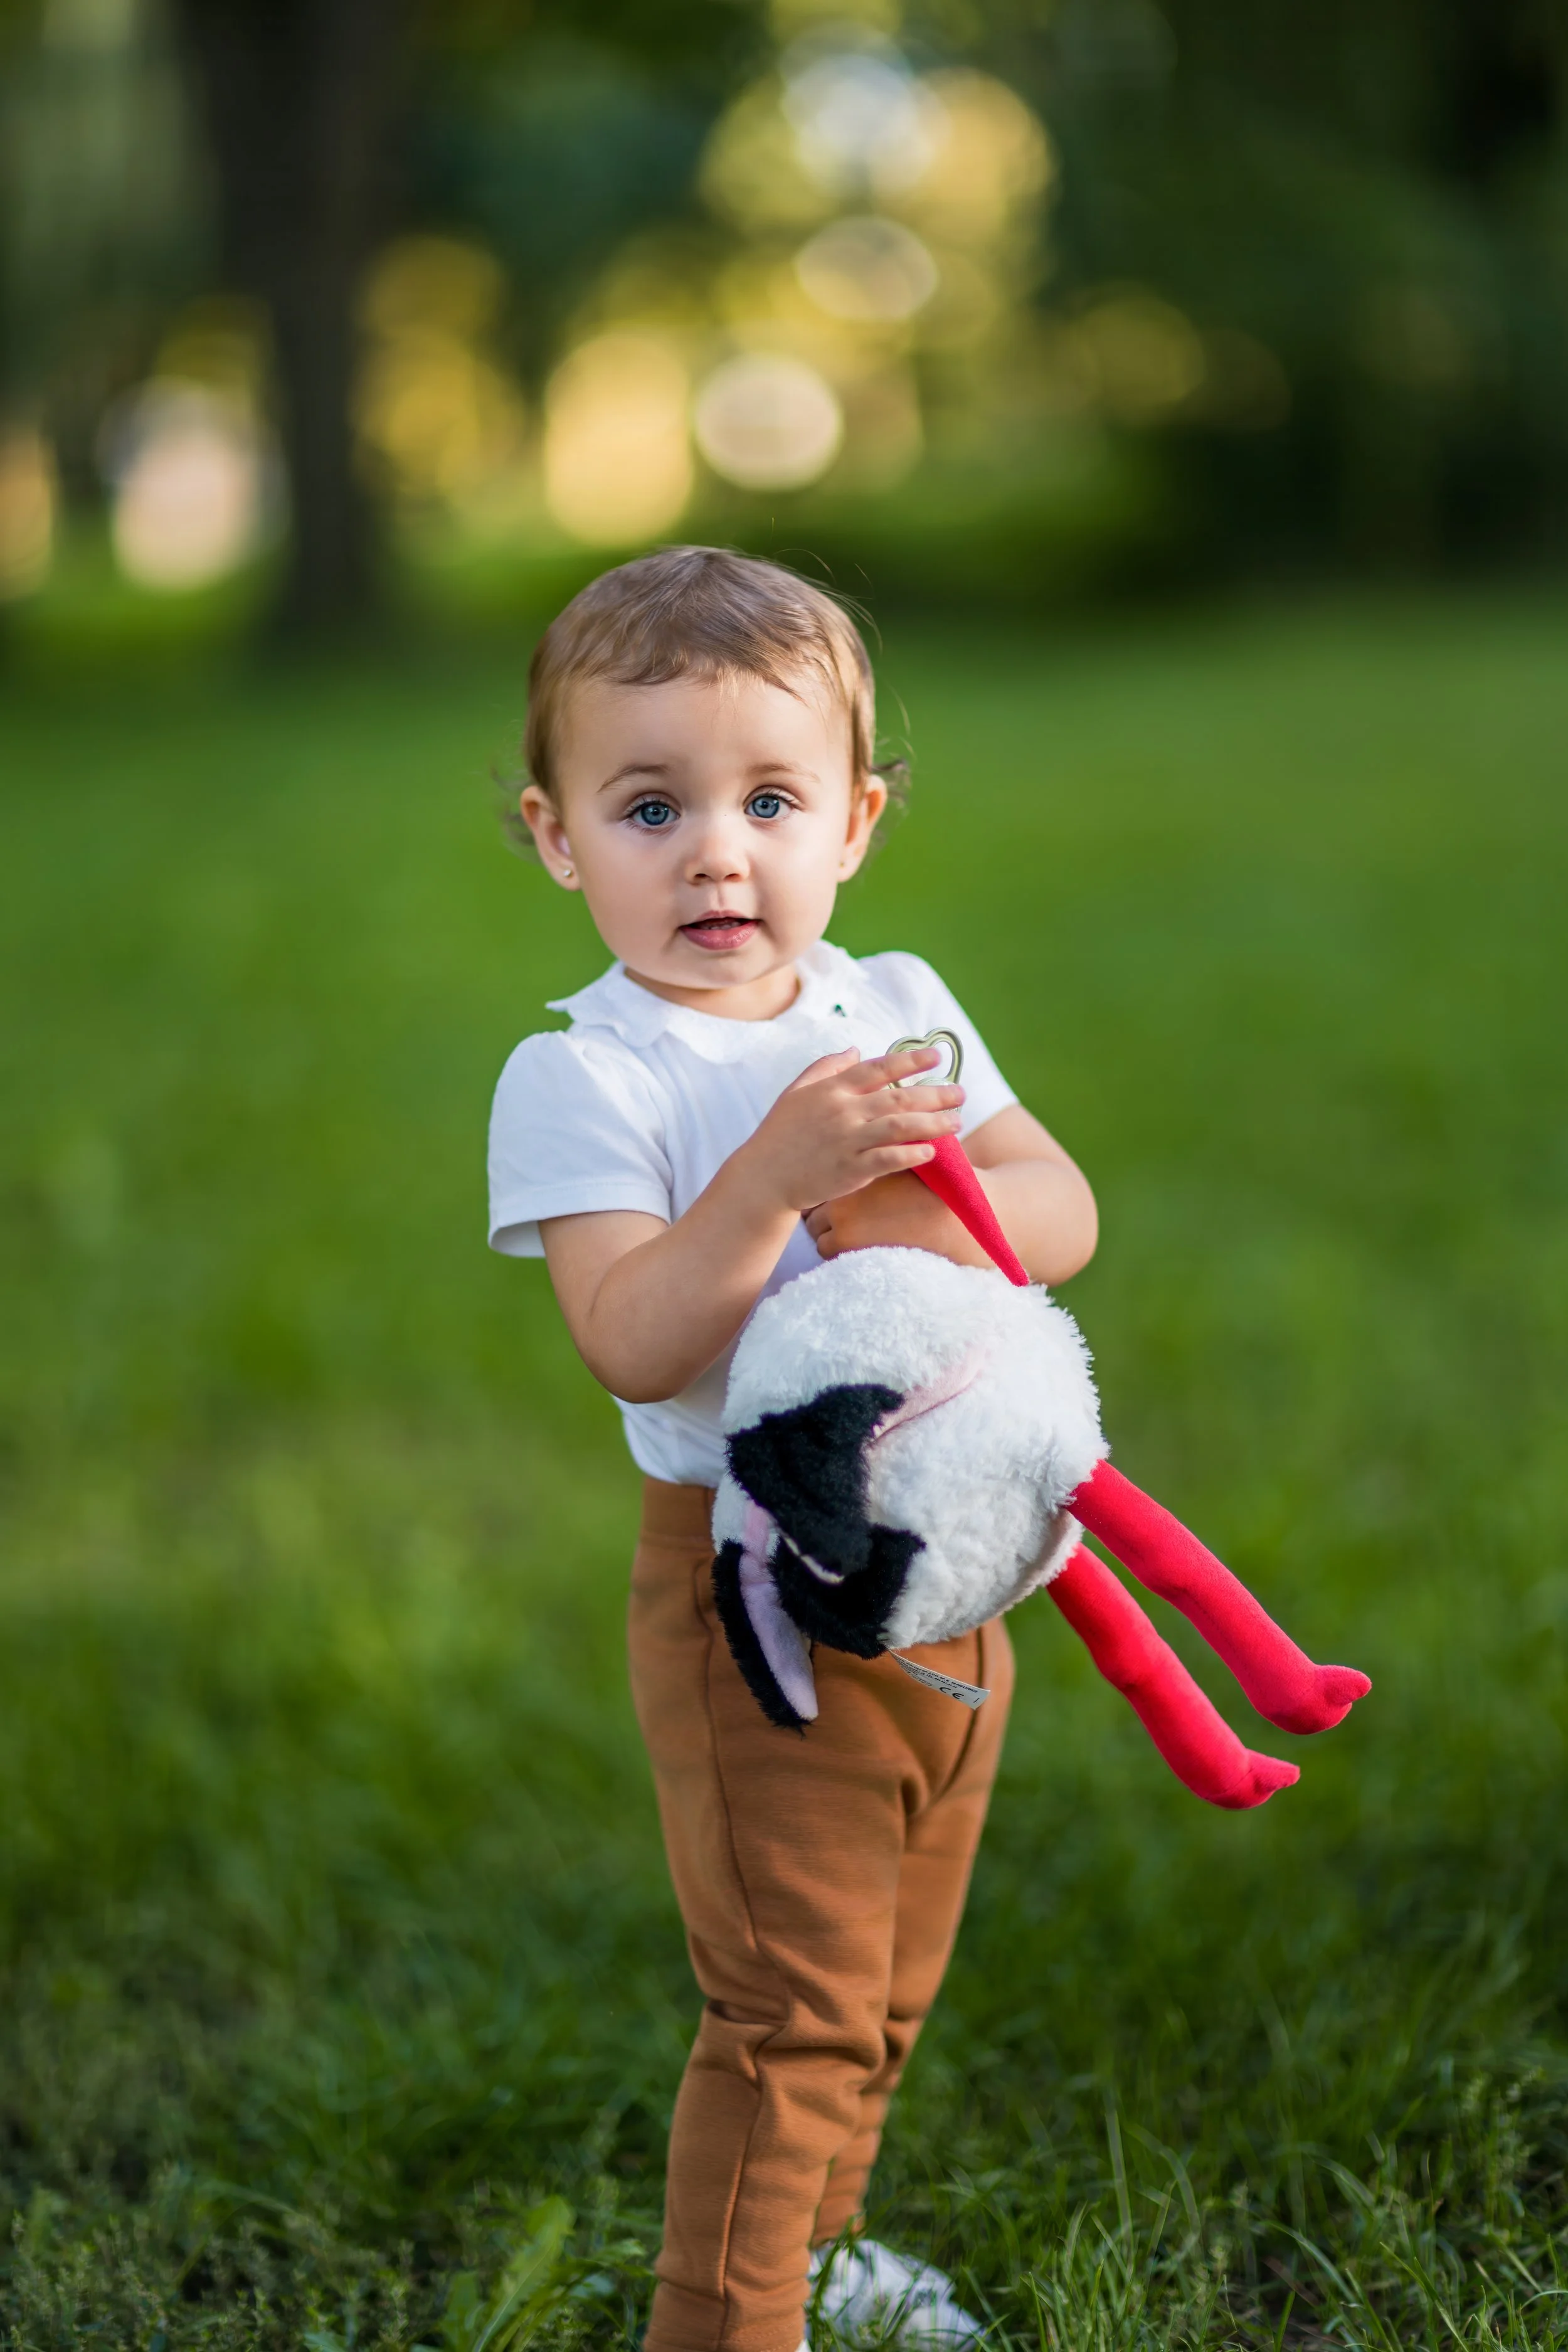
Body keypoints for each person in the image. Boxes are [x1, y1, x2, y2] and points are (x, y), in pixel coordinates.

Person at [487, 548, 1098, 2352]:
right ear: (554, 835)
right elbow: (634, 1331)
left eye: (770, 798)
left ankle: (819, 2247)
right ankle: (722, 2320)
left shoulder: (894, 1000)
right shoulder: (588, 1075)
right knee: (790, 1999)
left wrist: (909, 1192)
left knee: (891, 1971)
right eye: (648, 803)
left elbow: (1057, 1207)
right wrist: (772, 1177)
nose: (714, 852)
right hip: (750, 1585)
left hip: (956, 1553)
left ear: (856, 821)